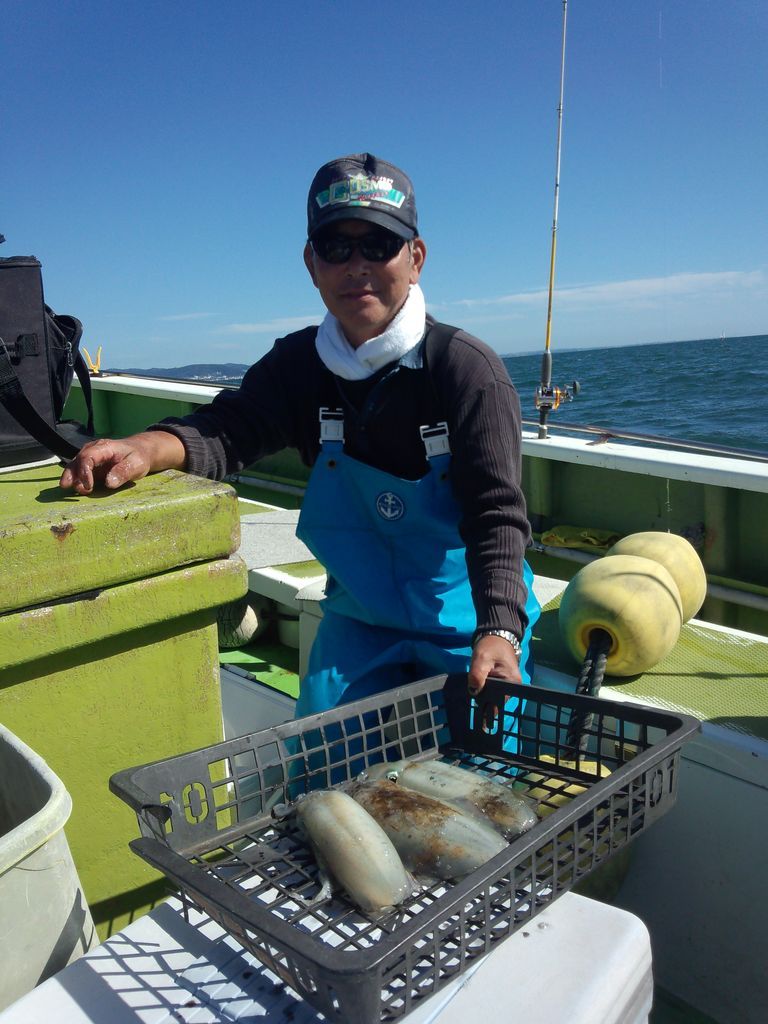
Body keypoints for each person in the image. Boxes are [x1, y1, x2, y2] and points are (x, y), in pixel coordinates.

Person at [60, 153, 540, 725]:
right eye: (336, 247)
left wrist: (499, 629)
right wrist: (144, 448)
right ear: (312, 264)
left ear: (415, 259)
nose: (357, 265)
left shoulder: (467, 370)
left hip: (470, 620)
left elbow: (496, 515)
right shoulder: (297, 367)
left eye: (379, 245)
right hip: (360, 620)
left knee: (490, 761)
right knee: (322, 760)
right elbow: (227, 430)